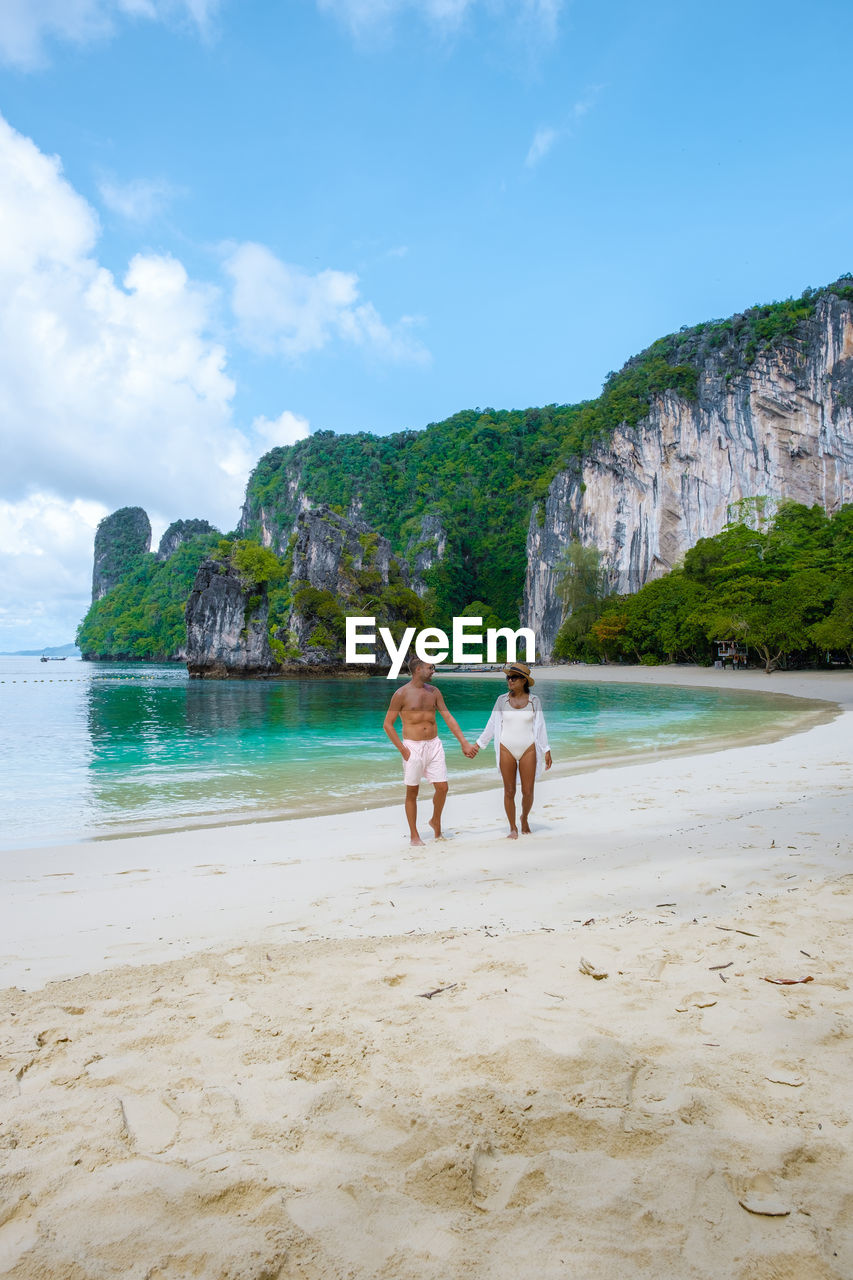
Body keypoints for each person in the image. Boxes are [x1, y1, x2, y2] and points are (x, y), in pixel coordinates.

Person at [383, 656, 477, 846]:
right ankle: (414, 835)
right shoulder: (401, 694)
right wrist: (403, 750)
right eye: (430, 667)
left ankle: (435, 820)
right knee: (412, 792)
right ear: (418, 669)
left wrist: (464, 742)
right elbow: (388, 725)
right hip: (412, 747)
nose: (433, 670)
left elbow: (448, 717)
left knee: (442, 788)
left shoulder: (434, 692)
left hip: (434, 745)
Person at [471, 661, 552, 838]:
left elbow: (540, 727)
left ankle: (524, 818)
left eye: (514, 678)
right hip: (506, 747)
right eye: (508, 677)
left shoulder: (534, 701)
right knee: (509, 791)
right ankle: (512, 827)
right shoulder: (501, 700)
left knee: (528, 791)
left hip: (528, 748)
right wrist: (478, 745)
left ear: (524, 681)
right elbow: (492, 725)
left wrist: (546, 749)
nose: (509, 680)